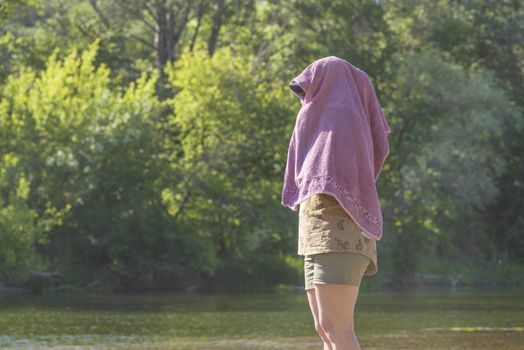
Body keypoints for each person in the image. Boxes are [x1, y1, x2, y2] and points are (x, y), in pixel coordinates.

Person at [281, 56, 392, 349]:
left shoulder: (343, 115)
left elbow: (343, 169)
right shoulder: (319, 115)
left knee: (338, 327)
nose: (305, 98)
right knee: (323, 327)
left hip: (338, 229)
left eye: (309, 88)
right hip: (314, 229)